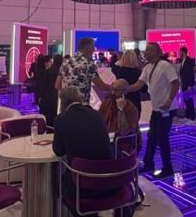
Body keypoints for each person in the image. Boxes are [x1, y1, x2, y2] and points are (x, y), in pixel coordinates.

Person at [53, 86, 116, 217]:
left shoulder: (60, 119)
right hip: (110, 181)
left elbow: (58, 152)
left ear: (63, 105)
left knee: (58, 187)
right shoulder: (96, 115)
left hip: (81, 186)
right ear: (80, 99)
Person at [127, 42, 180, 178]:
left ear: (156, 52)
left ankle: (167, 168)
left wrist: (169, 100)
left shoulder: (165, 65)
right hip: (157, 109)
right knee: (151, 136)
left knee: (162, 138)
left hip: (166, 108)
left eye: (148, 50)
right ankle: (149, 163)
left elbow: (175, 82)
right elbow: (139, 84)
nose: (145, 52)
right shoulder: (147, 68)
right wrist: (124, 89)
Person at [56, 37, 112, 105]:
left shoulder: (65, 63)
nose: (94, 50)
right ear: (87, 48)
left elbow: (57, 85)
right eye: (93, 47)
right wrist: (116, 88)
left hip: (66, 106)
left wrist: (67, 96)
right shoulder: (88, 64)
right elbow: (102, 86)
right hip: (81, 106)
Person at [99, 79, 140, 156]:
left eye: (117, 90)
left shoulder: (131, 109)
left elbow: (124, 131)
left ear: (125, 92)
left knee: (103, 151)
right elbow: (98, 122)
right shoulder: (106, 103)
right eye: (112, 89)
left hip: (121, 144)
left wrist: (121, 110)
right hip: (106, 139)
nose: (113, 93)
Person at [112, 50, 143, 115]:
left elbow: (114, 66)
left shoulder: (117, 70)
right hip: (134, 100)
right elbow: (144, 89)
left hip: (120, 99)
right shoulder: (138, 72)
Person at [36, 55, 62, 127]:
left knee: (46, 121)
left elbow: (42, 85)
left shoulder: (48, 72)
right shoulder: (61, 73)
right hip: (56, 99)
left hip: (46, 98)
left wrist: (39, 96)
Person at [178, 47, 196, 124]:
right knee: (186, 100)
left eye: (180, 52)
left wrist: (190, 84)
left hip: (188, 84)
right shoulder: (183, 61)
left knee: (190, 101)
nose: (179, 53)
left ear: (183, 52)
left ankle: (192, 118)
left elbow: (190, 74)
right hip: (184, 84)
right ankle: (187, 116)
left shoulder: (189, 61)